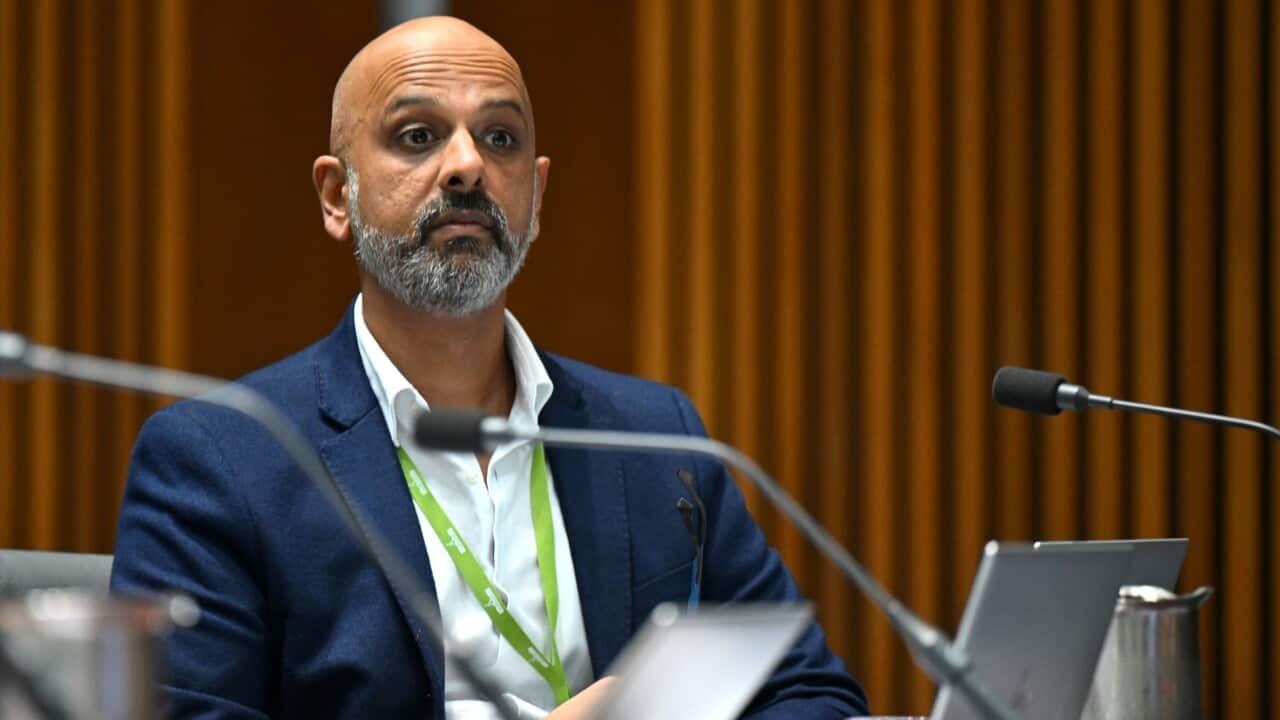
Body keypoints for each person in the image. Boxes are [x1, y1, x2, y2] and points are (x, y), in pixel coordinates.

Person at [111, 16, 868, 719]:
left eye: (500, 140)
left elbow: (811, 694)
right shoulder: (223, 459)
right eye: (417, 136)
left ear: (536, 195)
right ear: (338, 195)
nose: (468, 166)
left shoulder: (654, 439)